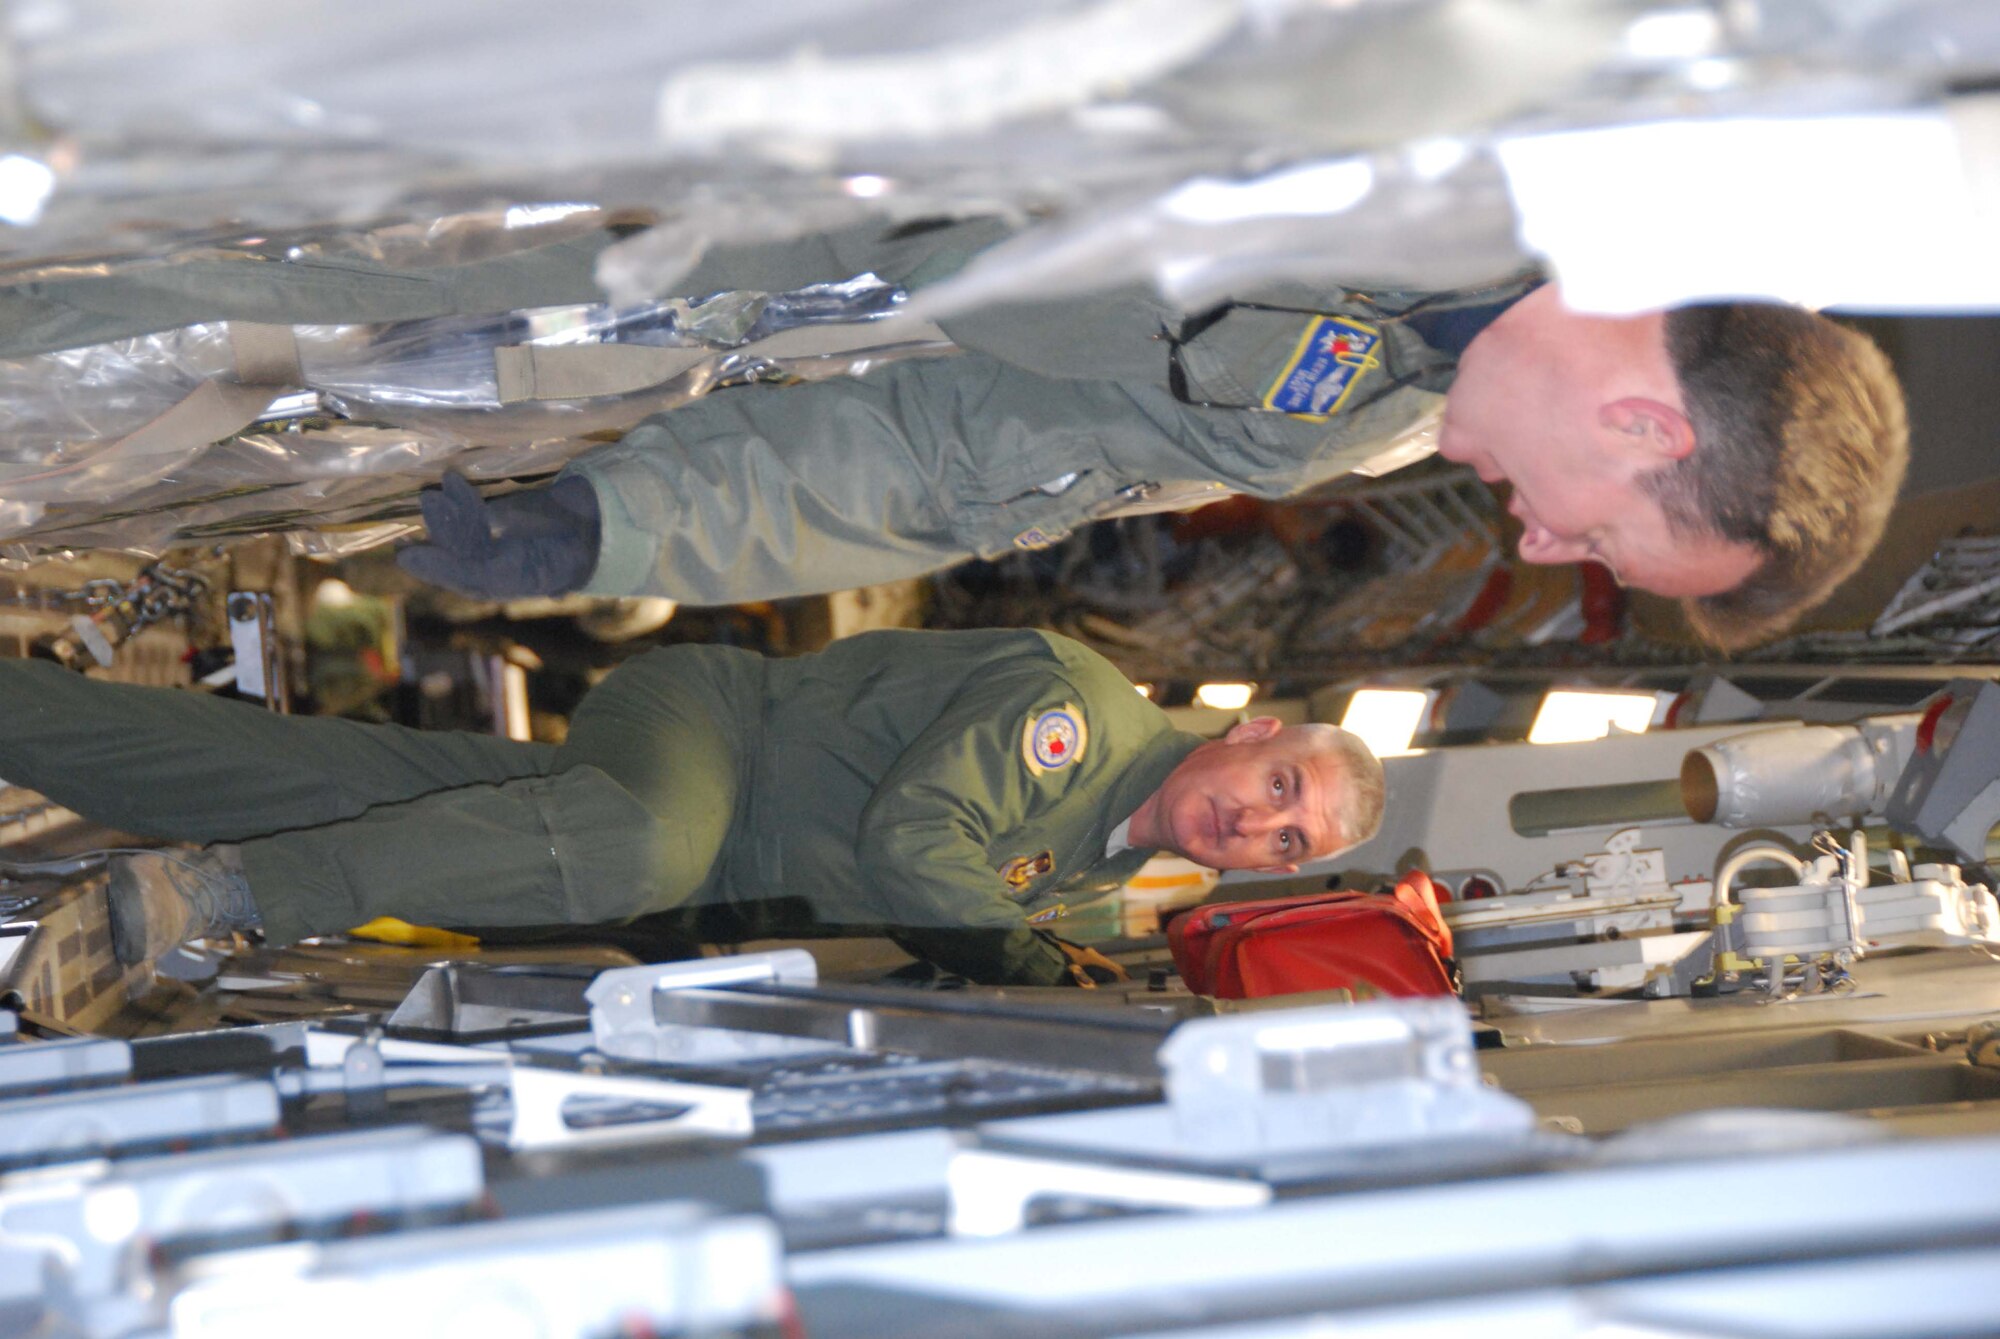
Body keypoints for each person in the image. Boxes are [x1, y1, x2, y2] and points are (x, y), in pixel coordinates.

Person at [389, 220, 1909, 652]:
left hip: (575, 240)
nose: (1539, 543)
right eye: (1603, 536)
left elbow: (946, 460)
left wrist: (619, 531)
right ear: (1643, 423)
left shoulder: (1329, 430)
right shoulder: (1448, 123)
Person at [0, 630, 1384, 987]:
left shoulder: (1095, 881)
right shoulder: (1074, 713)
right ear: (1253, 732)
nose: (1258, 828)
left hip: (700, 851)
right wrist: (1019, 957)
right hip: (717, 738)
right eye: (1281, 789)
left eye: (1290, 844)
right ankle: (219, 894)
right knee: (627, 848)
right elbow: (916, 848)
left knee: (314, 790)